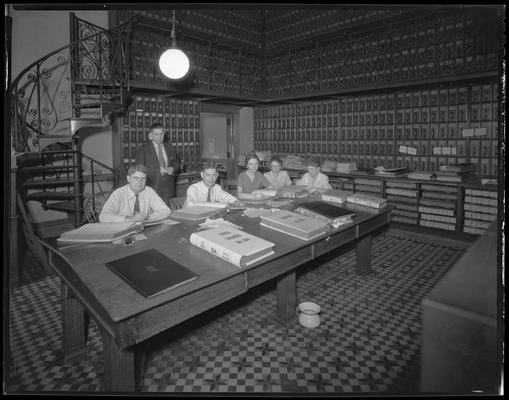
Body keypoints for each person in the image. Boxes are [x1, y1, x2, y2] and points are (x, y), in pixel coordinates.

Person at [99, 164, 172, 223]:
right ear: (128, 179)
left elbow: (165, 210)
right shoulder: (118, 193)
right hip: (123, 231)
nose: (139, 182)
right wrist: (130, 219)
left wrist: (147, 217)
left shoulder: (149, 191)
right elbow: (103, 217)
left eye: (143, 179)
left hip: (144, 230)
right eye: (136, 178)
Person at [135, 122, 179, 206]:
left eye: (161, 134)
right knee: (152, 212)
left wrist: (173, 168)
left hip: (168, 187)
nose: (159, 137)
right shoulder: (143, 149)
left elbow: (176, 162)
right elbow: (139, 169)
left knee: (167, 210)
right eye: (156, 134)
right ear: (150, 135)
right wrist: (159, 170)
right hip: (152, 185)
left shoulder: (170, 147)